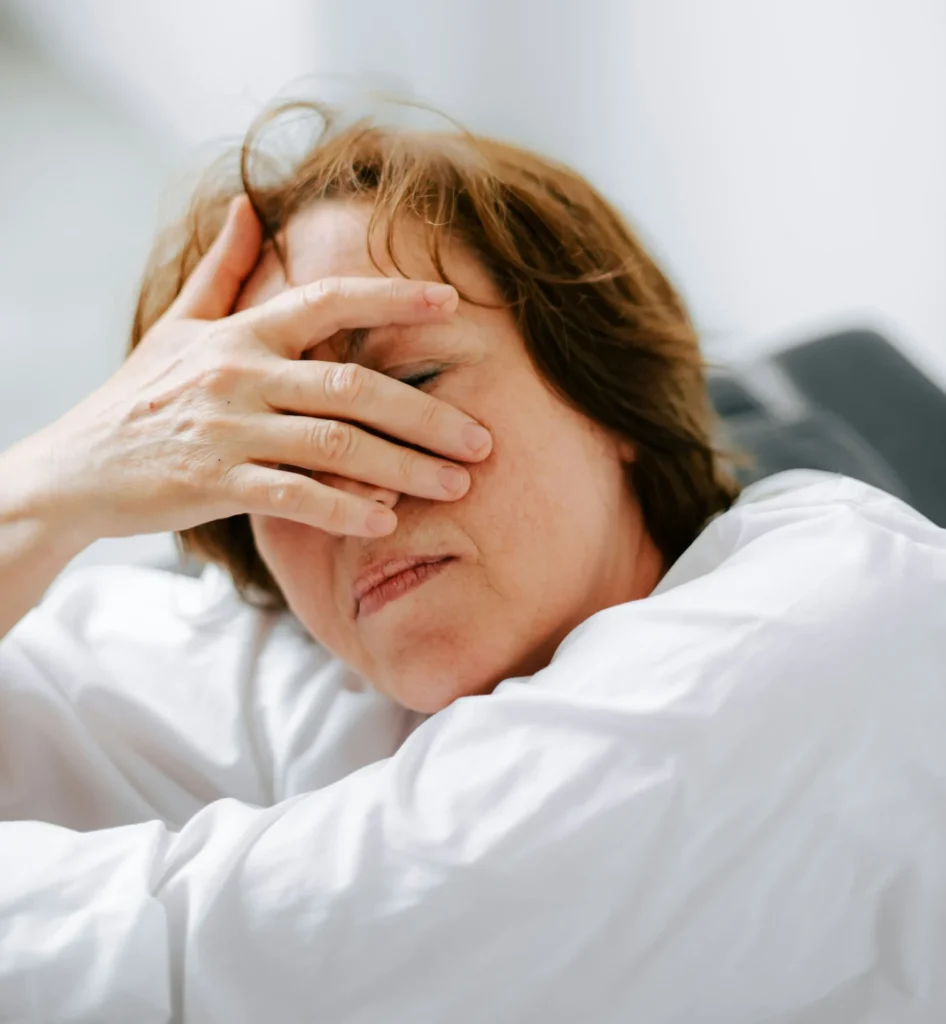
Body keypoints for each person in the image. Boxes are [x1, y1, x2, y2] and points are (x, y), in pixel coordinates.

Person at [1, 101, 945, 1023]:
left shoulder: (825, 617)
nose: (356, 500)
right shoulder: (306, 670)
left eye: (410, 387)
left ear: (605, 394)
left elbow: (188, 973)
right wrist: (54, 482)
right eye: (278, 455)